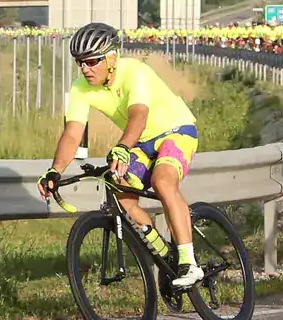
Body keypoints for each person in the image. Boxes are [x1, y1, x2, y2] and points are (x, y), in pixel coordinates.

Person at [39, 22, 204, 288]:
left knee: (163, 181)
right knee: (120, 191)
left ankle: (188, 262)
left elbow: (139, 114)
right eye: (80, 62)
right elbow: (72, 133)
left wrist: (123, 147)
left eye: (92, 61)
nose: (85, 68)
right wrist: (55, 170)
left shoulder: (134, 72)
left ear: (112, 58)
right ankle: (165, 255)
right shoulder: (81, 88)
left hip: (175, 131)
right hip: (141, 142)